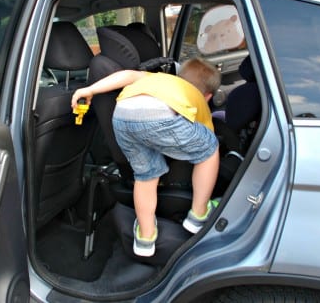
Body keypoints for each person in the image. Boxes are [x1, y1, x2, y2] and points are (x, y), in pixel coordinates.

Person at [71, 58, 221, 257]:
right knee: (209, 150)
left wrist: (89, 90)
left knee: (146, 174)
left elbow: (126, 75)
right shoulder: (198, 98)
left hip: (123, 115)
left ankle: (145, 237)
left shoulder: (156, 78)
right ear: (208, 96)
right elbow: (203, 142)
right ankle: (198, 214)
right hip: (160, 114)